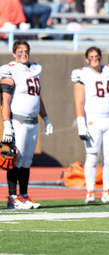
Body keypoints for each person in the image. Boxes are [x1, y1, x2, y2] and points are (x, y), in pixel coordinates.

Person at [0, 39, 53, 209]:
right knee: (15, 159)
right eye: (20, 51)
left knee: (27, 160)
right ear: (14, 54)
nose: (24, 53)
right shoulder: (10, 69)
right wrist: (7, 124)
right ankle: (12, 197)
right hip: (18, 121)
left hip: (33, 122)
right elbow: (5, 101)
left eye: (26, 50)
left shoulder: (36, 68)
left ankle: (23, 195)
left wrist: (45, 118)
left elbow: (37, 97)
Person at [71, 46, 109, 204]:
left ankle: (107, 190)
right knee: (91, 156)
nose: (94, 59)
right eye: (91, 56)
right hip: (93, 120)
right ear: (87, 59)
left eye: (97, 56)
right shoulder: (82, 74)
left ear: (101, 57)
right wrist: (81, 123)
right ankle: (90, 191)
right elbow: (79, 102)